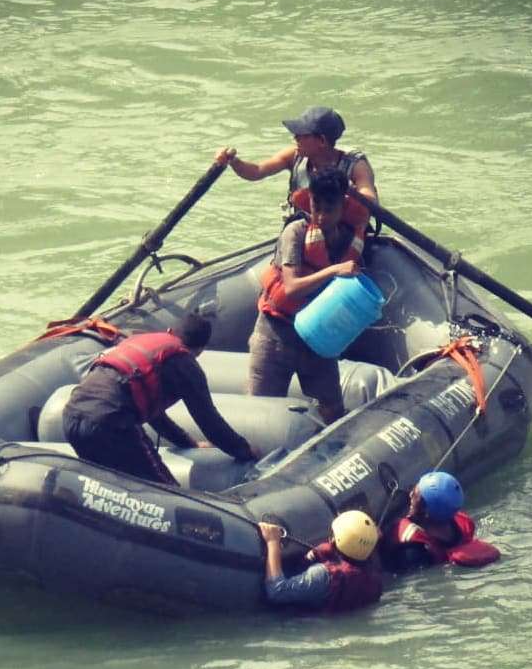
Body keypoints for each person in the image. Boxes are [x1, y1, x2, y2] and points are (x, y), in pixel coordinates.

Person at [63, 314, 258, 485]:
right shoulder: (184, 363)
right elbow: (208, 421)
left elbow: (154, 415)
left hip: (71, 415)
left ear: (170, 331)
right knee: (163, 492)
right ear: (200, 350)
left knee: (108, 488)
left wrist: (188, 443)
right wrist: (244, 450)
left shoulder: (143, 342)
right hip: (111, 422)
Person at [248, 167, 364, 423]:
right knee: (260, 414)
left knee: (333, 410)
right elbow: (291, 287)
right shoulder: (296, 232)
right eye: (315, 206)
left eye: (329, 209)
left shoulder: (348, 236)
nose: (320, 216)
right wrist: (335, 270)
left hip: (318, 336)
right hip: (276, 333)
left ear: (343, 206)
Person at [214, 105, 378, 215]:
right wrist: (234, 161)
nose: (295, 138)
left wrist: (341, 193)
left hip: (341, 233)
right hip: (304, 231)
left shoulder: (356, 166)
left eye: (302, 135)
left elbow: (369, 199)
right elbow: (256, 171)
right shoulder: (294, 156)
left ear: (321, 141)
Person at [258, 510, 383, 612]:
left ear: (334, 540)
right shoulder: (372, 571)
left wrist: (272, 542)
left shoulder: (323, 575)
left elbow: (277, 591)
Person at [382, 471, 501, 571]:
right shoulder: (462, 523)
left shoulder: (415, 550)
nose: (410, 494)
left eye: (415, 495)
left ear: (426, 512)